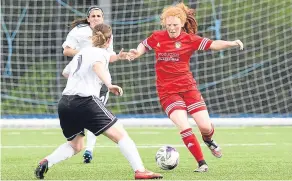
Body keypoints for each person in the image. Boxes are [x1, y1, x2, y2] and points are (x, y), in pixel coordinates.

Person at [35, 24, 163, 180]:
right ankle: (140, 171)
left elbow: (65, 73)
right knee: (121, 135)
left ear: (92, 38)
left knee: (76, 145)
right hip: (85, 101)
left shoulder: (82, 53)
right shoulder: (100, 53)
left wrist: (84, 77)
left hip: (65, 102)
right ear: (109, 40)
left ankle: (46, 161)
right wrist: (108, 84)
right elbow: (97, 66)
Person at [128, 2, 244, 172]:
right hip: (167, 92)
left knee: (205, 126)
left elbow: (213, 44)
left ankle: (209, 140)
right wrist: (137, 52)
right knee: (184, 125)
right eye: (168, 25)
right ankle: (202, 163)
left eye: (175, 25)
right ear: (164, 24)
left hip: (189, 88)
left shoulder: (189, 39)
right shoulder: (157, 37)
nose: (172, 28)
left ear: (182, 23)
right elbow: (144, 45)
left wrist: (232, 43)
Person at [62, 5, 120, 163]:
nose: (96, 18)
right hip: (82, 82)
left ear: (102, 18)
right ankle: (78, 145)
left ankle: (89, 150)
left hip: (99, 81)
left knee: (96, 116)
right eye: (93, 16)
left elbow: (109, 55)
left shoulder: (107, 32)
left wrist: (121, 56)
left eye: (98, 16)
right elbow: (66, 51)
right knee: (87, 117)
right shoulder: (79, 31)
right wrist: (85, 55)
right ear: (88, 19)